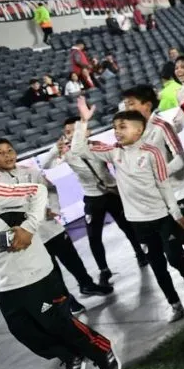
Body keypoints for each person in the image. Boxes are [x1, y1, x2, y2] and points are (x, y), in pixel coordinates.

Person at [71, 98, 184, 323]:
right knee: (157, 266)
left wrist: (176, 214)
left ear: (139, 130)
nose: (117, 132)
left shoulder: (151, 152)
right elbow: (78, 148)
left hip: (163, 217)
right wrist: (83, 121)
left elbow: (164, 185)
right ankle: (174, 304)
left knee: (175, 257)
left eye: (123, 126)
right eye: (115, 127)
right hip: (138, 222)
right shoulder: (113, 152)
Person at [0, 178, 121, 369]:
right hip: (3, 281)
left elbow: (38, 189)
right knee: (23, 331)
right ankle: (70, 356)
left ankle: (101, 350)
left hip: (34, 273)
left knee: (56, 322)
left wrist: (28, 228)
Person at [0, 138, 113, 310]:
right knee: (52, 271)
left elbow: (50, 189)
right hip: (32, 236)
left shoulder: (31, 171)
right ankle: (68, 301)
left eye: (10, 150)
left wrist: (54, 208)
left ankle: (87, 284)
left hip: (51, 226)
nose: (7, 155)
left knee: (72, 259)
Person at [121, 86, 184, 284]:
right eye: (126, 104)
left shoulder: (161, 127)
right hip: (160, 198)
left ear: (147, 106)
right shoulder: (133, 132)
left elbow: (181, 157)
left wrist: (160, 172)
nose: (126, 107)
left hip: (180, 190)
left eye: (131, 103)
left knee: (183, 233)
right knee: (175, 243)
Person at [40, 119, 148, 283]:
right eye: (68, 132)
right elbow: (46, 164)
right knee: (93, 236)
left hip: (111, 192)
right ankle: (103, 269)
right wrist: (56, 149)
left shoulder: (98, 145)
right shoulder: (67, 153)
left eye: (76, 131)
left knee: (127, 226)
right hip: (92, 197)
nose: (72, 135)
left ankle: (140, 253)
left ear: (87, 131)